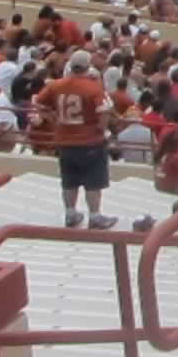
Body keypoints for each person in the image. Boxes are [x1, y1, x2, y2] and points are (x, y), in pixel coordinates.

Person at [36, 49, 117, 229]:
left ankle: (70, 214)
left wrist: (53, 118)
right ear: (88, 66)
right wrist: (100, 129)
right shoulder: (93, 87)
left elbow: (38, 102)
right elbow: (104, 111)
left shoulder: (56, 85)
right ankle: (95, 216)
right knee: (93, 181)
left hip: (65, 139)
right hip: (90, 141)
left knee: (69, 180)